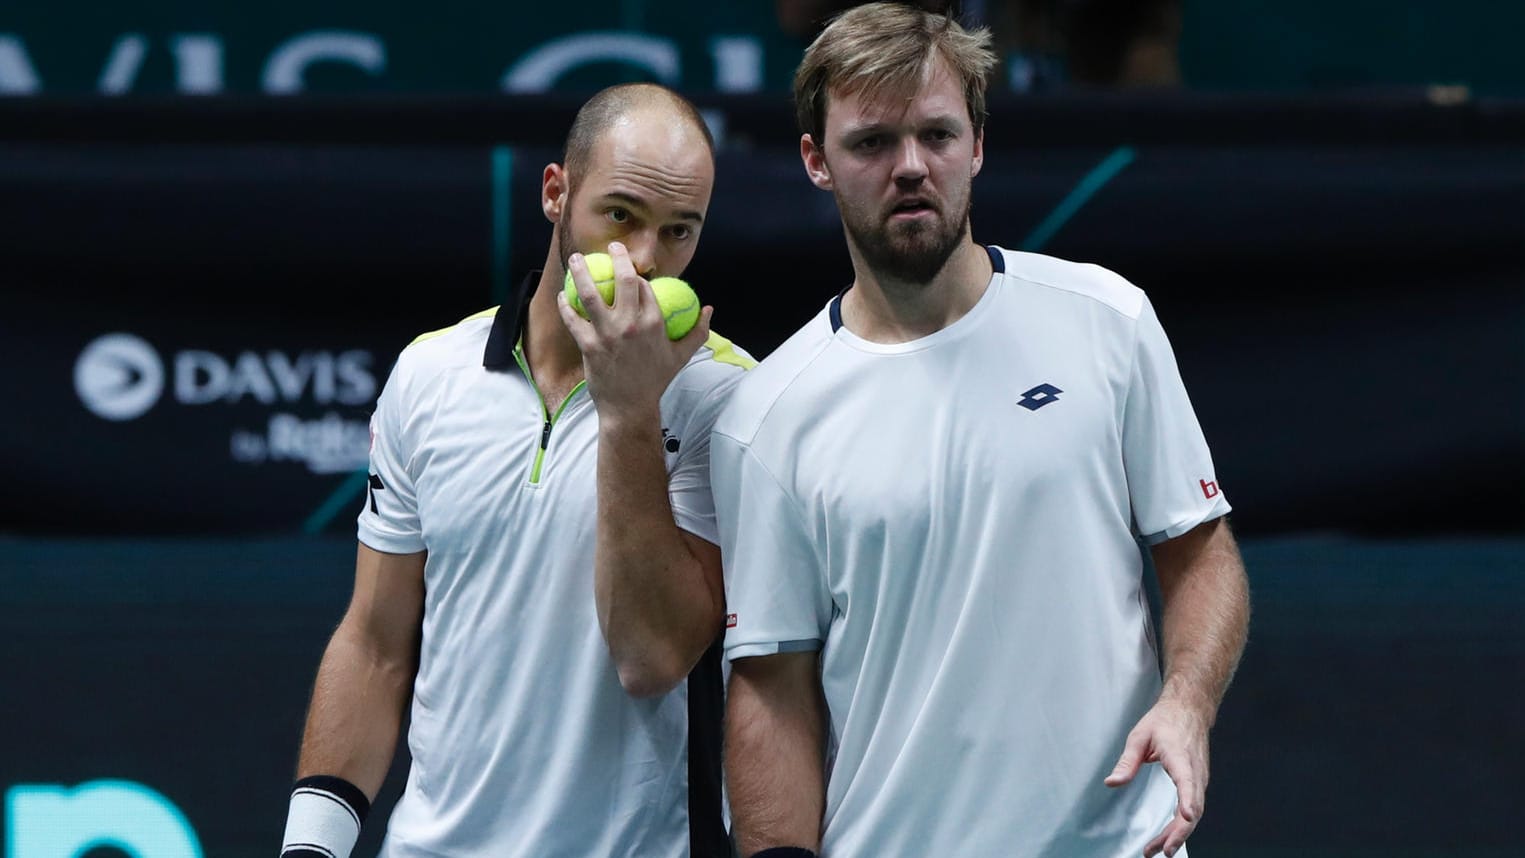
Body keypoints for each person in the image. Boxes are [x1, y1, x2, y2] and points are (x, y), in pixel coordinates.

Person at [711, 5, 1249, 858]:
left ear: (978, 144)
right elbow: (772, 690)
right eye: (871, 143)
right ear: (816, 160)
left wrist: (1185, 702)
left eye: (937, 134)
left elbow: (1198, 550)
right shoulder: (763, 418)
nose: (911, 167)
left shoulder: (1107, 318)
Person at [279, 83, 753, 858]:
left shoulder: (727, 400)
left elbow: (651, 657)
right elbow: (376, 642)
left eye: (678, 232)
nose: (642, 261)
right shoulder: (430, 375)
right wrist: (310, 848)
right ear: (555, 193)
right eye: (621, 216)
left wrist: (630, 409)